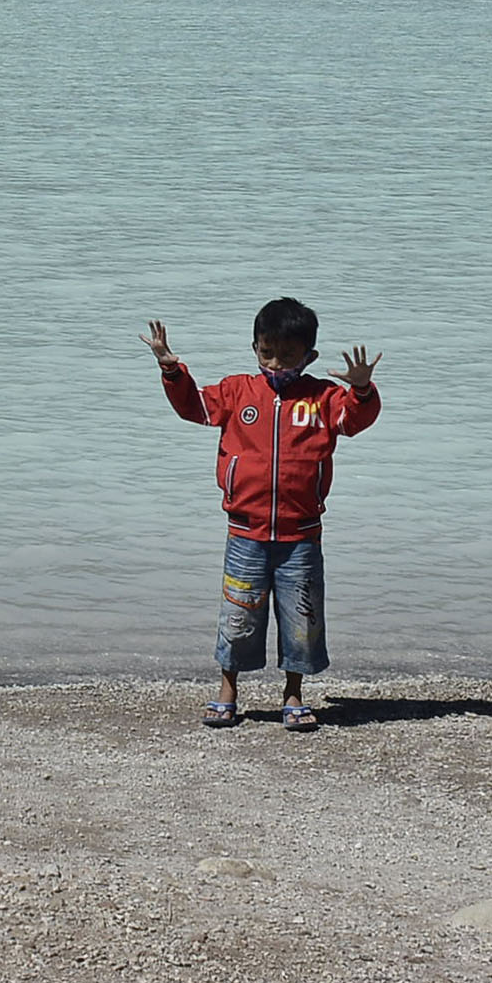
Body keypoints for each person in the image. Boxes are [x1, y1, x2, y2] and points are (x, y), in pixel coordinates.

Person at [146, 298, 382, 731]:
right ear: (254, 348)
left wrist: (362, 388)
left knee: (301, 619)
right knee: (238, 616)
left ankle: (293, 693)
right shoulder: (237, 392)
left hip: (301, 538)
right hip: (246, 534)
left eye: (288, 355)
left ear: (309, 357)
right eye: (267, 351)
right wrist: (170, 369)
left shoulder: (323, 398)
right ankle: (227, 689)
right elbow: (193, 407)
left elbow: (354, 420)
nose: (276, 362)